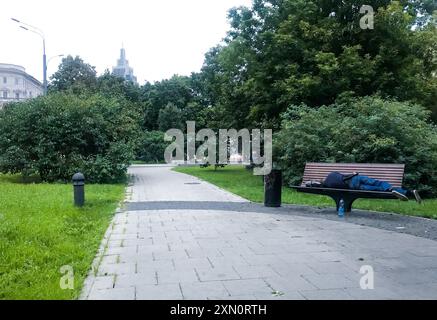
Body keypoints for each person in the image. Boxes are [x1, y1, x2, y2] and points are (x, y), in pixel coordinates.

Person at [323, 171, 422, 203]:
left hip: (353, 187)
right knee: (378, 183)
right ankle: (409, 192)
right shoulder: (332, 174)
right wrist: (354, 173)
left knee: (377, 189)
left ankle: (395, 191)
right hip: (356, 178)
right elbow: (345, 175)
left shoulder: (327, 184)